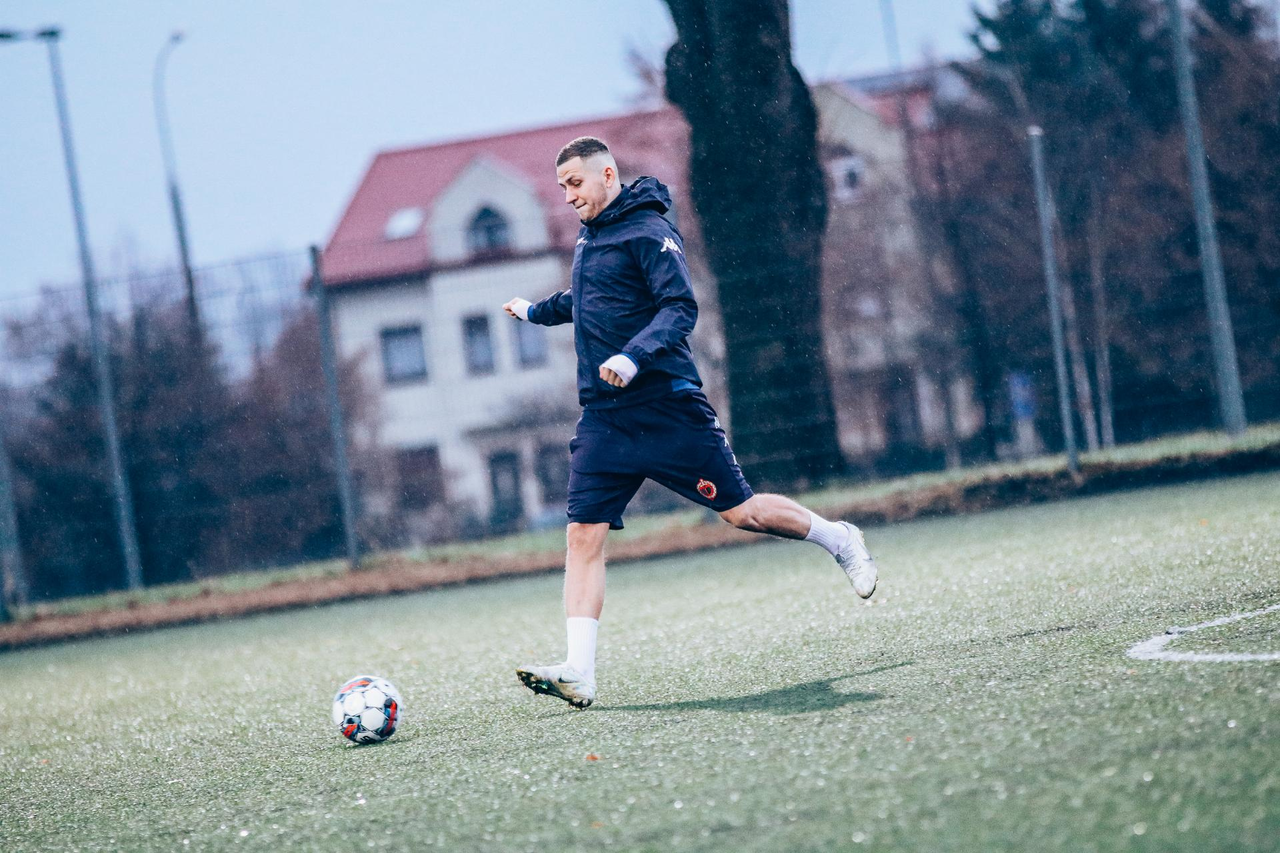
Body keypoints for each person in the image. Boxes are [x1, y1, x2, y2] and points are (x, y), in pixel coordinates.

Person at [502, 136, 877, 710]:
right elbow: (588, 297)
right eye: (562, 188)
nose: (569, 196)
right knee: (582, 535)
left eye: (575, 184)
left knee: (743, 513)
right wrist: (535, 312)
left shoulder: (649, 231)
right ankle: (579, 671)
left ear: (608, 175)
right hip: (605, 419)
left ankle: (839, 538)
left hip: (667, 409)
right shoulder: (591, 235)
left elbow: (680, 308)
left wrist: (633, 357)